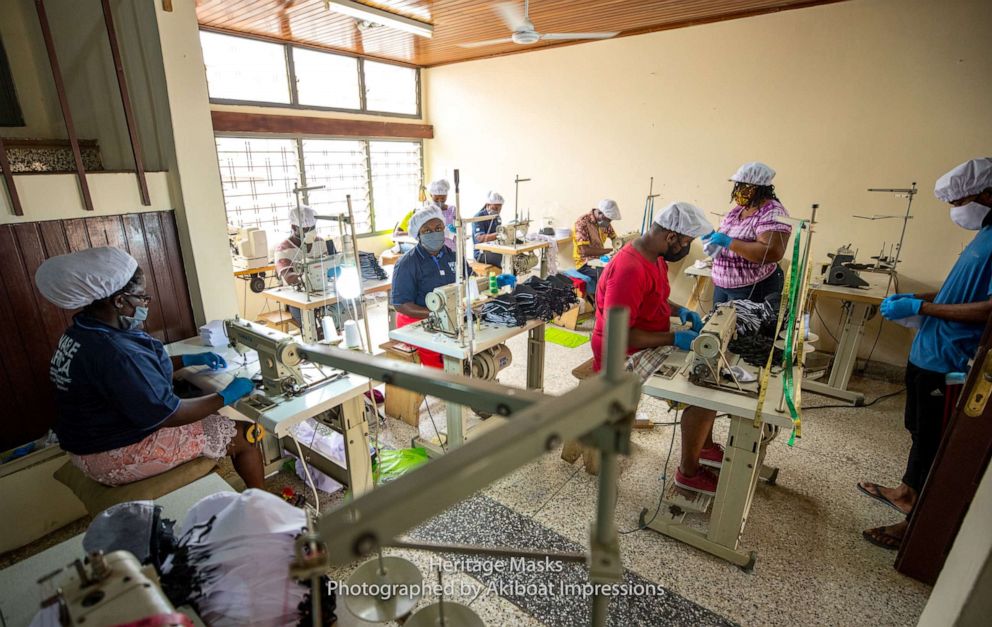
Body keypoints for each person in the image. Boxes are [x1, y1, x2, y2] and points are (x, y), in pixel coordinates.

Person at [34, 247, 263, 488]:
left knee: (212, 416)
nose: (145, 304)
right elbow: (170, 414)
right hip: (114, 454)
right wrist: (227, 395)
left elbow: (133, 376)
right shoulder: (115, 350)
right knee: (245, 435)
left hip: (88, 443)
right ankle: (268, 512)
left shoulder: (83, 332)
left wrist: (187, 360)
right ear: (120, 301)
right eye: (142, 298)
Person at [858, 157, 992, 550]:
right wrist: (917, 298)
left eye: (959, 201)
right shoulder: (983, 235)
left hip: (953, 359)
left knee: (936, 440)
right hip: (929, 352)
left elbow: (988, 309)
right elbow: (964, 293)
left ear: (986, 193)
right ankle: (906, 491)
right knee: (920, 431)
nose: (955, 211)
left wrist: (923, 309)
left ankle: (916, 523)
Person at [592, 202, 725, 495]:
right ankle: (688, 472)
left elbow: (655, 298)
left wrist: (680, 312)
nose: (687, 249)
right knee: (702, 392)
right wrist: (673, 339)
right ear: (671, 237)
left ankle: (703, 446)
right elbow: (618, 335)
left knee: (710, 372)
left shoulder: (655, 258)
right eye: (687, 242)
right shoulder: (630, 268)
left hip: (644, 338)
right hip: (621, 353)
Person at [702, 162, 792, 305]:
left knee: (742, 326)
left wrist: (729, 242)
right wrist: (712, 239)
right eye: (738, 185)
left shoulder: (773, 212)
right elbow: (726, 233)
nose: (738, 190)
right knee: (719, 326)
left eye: (744, 186)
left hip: (752, 287)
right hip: (723, 286)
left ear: (760, 188)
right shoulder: (739, 210)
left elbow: (772, 252)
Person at [391, 207, 469, 368]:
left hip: (451, 317)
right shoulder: (407, 263)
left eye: (438, 228)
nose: (434, 233)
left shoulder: (453, 255)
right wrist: (436, 315)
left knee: (472, 349)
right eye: (427, 230)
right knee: (440, 363)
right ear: (418, 235)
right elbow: (400, 304)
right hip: (417, 321)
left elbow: (470, 280)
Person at [274, 205, 329, 330]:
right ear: (294, 228)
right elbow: (289, 278)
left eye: (313, 228)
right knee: (310, 326)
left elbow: (330, 266)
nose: (311, 232)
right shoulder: (283, 249)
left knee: (338, 313)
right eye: (306, 229)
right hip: (296, 298)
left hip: (321, 292)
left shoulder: (320, 242)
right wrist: (311, 277)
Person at [573, 199, 621, 298]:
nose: (609, 222)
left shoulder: (605, 222)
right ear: (600, 213)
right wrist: (610, 251)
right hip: (584, 264)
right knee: (611, 277)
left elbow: (616, 240)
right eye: (609, 220)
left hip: (598, 260)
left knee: (621, 271)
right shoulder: (582, 223)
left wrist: (622, 247)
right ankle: (603, 305)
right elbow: (585, 251)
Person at [472, 191, 505, 267]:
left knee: (515, 256)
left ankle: (511, 277)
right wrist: (499, 234)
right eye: (495, 208)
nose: (497, 211)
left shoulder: (497, 217)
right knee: (505, 259)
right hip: (481, 253)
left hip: (494, 249)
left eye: (499, 208)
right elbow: (480, 238)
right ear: (488, 205)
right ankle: (506, 277)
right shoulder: (478, 217)